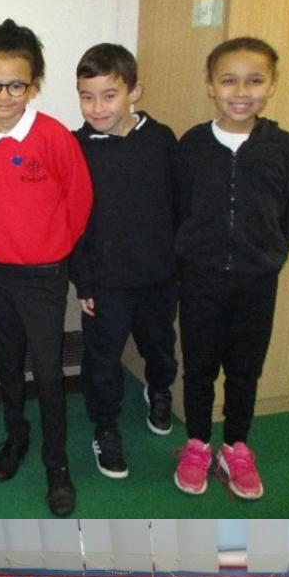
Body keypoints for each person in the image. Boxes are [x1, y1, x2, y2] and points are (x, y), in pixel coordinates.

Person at [0, 19, 92, 516]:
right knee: (6, 361)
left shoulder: (54, 136)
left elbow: (79, 200)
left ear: (34, 85)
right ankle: (15, 437)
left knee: (46, 368)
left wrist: (53, 246)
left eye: (16, 84)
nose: (4, 95)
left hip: (44, 274)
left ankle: (56, 463)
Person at [174, 36, 289, 500]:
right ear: (211, 86)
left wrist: (269, 257)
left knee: (246, 369)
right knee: (199, 368)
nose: (241, 91)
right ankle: (195, 443)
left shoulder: (285, 149)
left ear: (271, 84)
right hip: (200, 280)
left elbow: (287, 215)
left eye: (255, 80)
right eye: (229, 80)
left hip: (256, 282)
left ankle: (235, 446)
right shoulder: (191, 146)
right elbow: (178, 211)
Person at [69, 43, 178, 480]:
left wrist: (178, 265)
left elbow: (179, 206)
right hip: (105, 281)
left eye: (109, 94)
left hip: (158, 276)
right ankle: (105, 425)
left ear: (135, 91)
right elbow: (72, 224)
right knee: (102, 359)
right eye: (86, 96)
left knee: (160, 347)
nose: (97, 107)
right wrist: (84, 283)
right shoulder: (74, 147)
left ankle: (160, 388)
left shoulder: (162, 140)